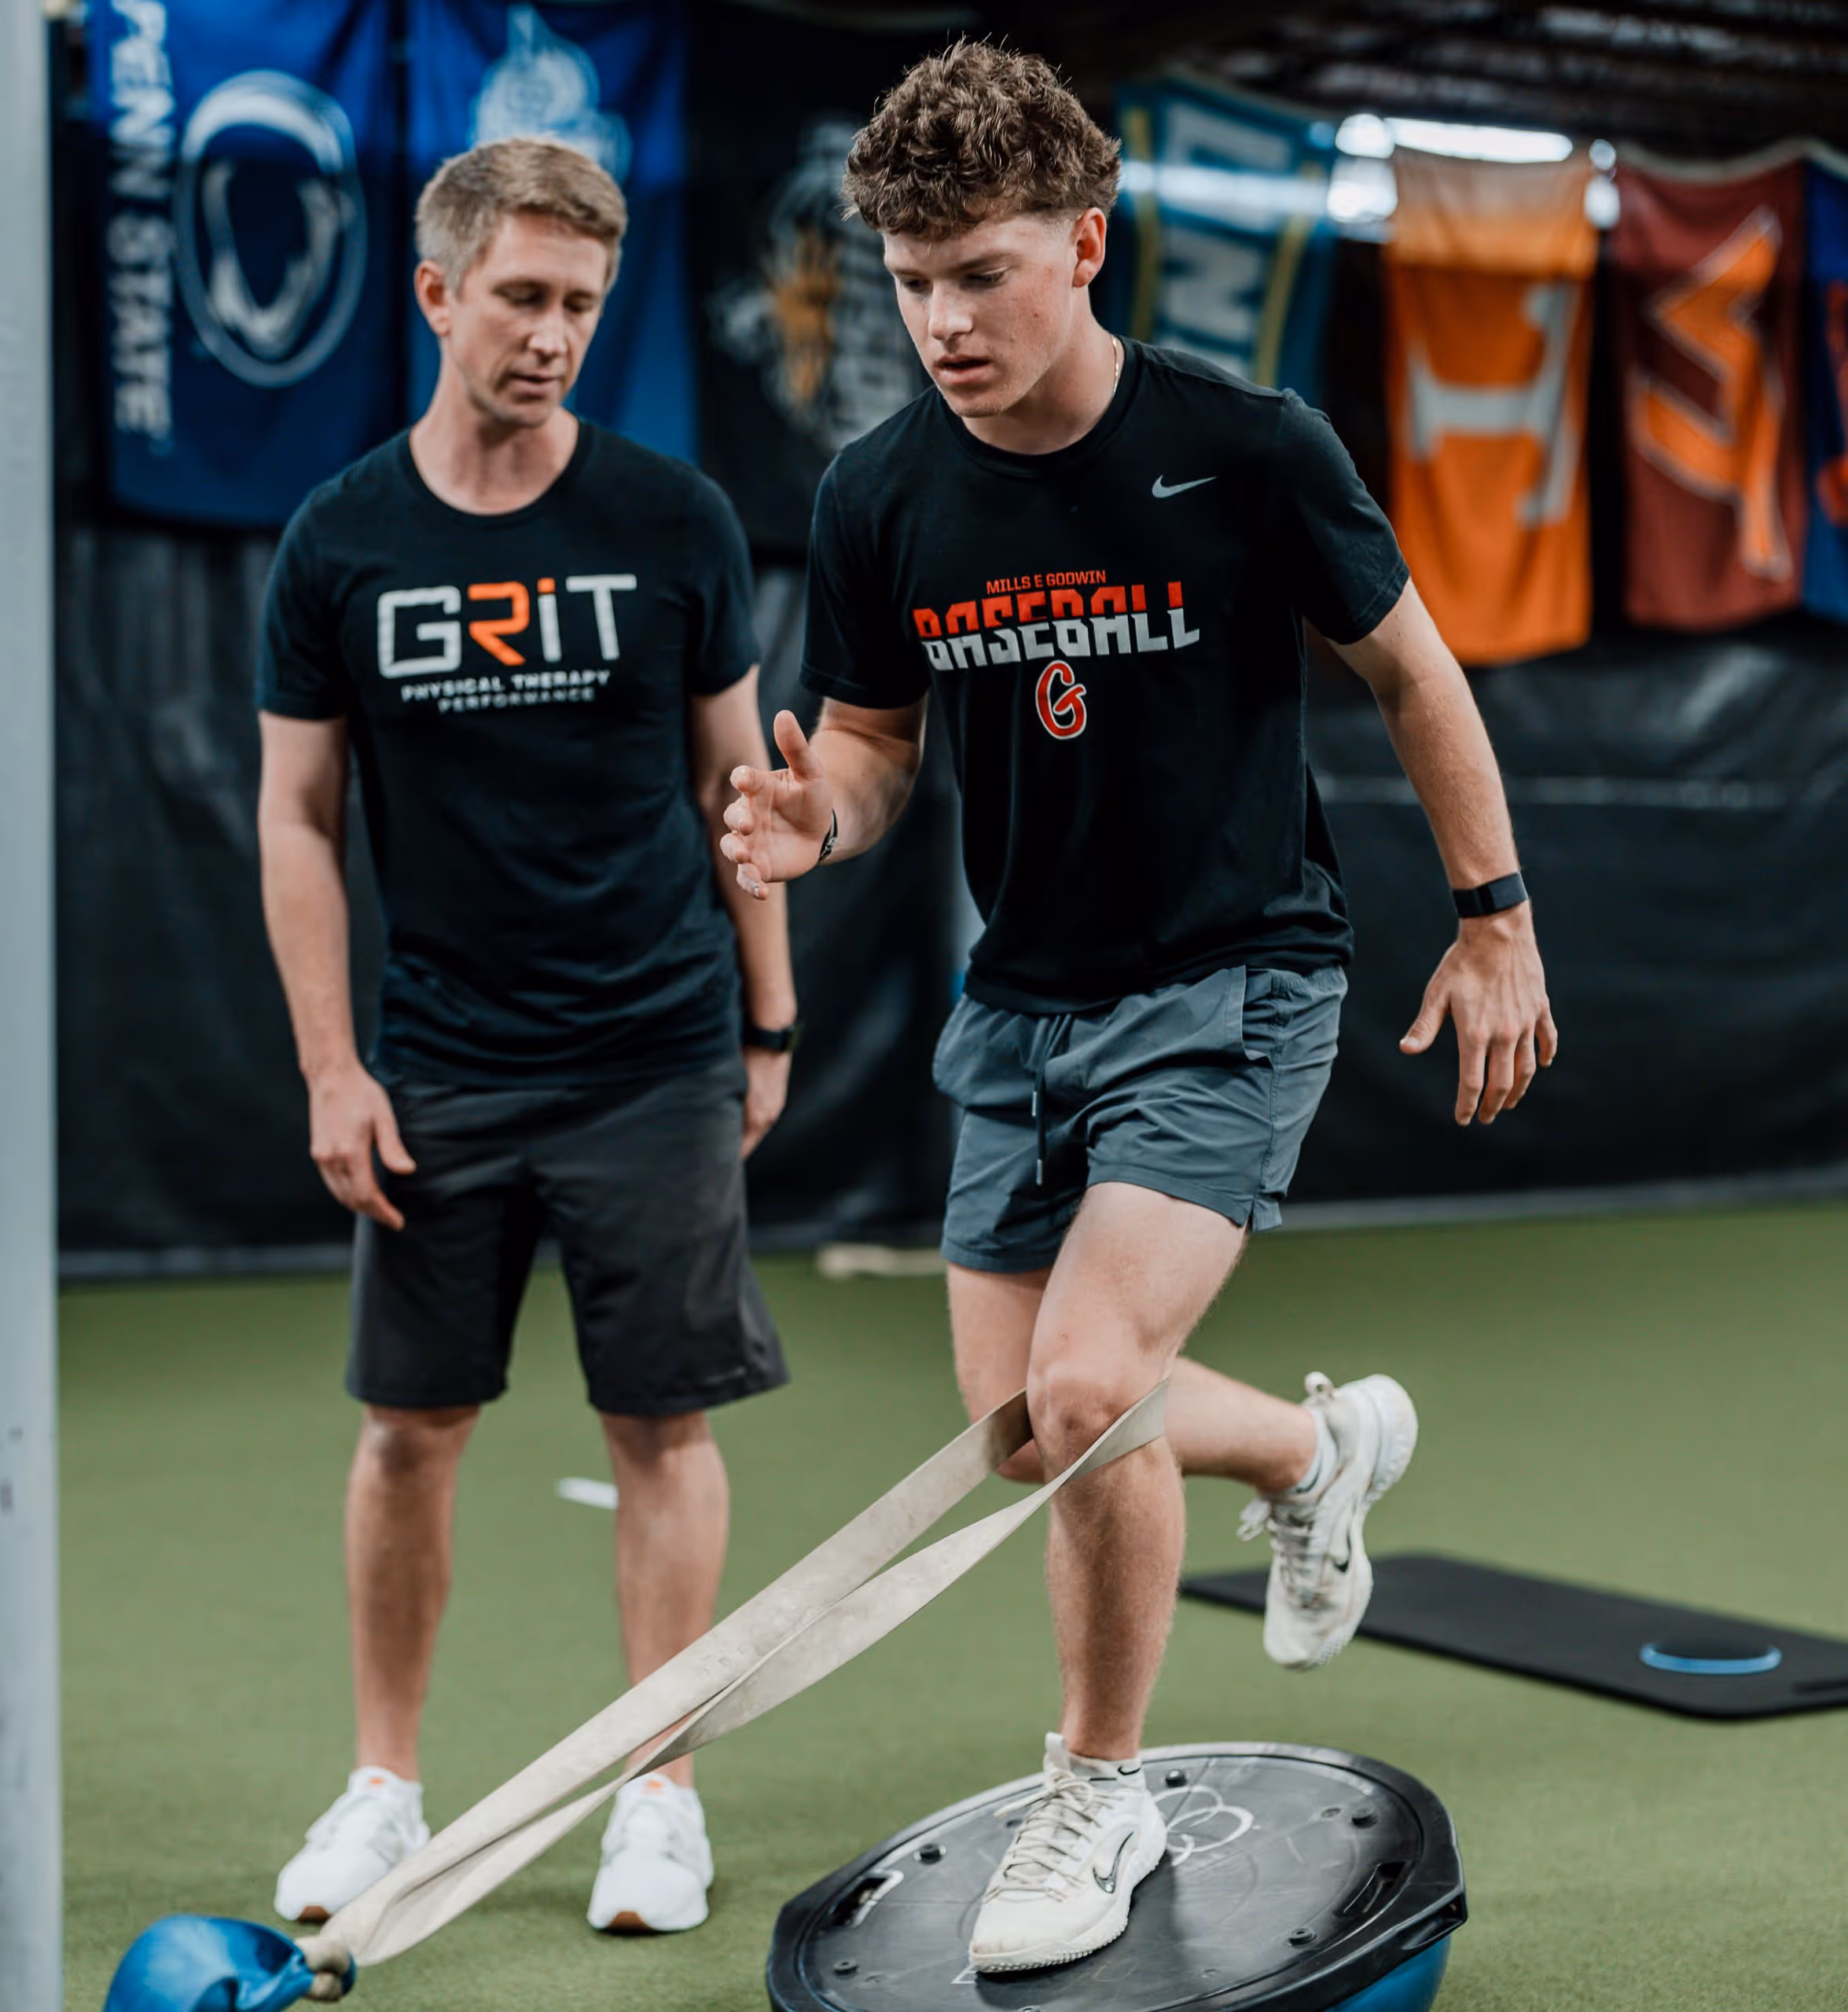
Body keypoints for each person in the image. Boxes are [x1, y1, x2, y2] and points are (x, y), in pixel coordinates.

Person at [720, 42, 1556, 1979]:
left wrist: (1494, 918)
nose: (939, 320)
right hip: (1020, 1005)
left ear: (1084, 245)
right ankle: (1308, 1450)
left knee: (1089, 1393)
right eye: (910, 280)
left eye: (983, 270)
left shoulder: (1245, 446)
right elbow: (867, 745)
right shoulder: (875, 496)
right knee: (1028, 1425)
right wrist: (808, 819)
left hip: (1233, 976)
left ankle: (1097, 1787)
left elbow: (1415, 676)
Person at [255, 138, 796, 1940]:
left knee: (661, 1425)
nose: (552, 332)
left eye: (580, 302)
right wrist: (334, 1063)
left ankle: (657, 1792)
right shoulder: (341, 540)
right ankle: (381, 1787)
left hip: (653, 1049)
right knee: (409, 1432)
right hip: (439, 1066)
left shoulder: (669, 520)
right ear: (435, 294)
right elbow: (299, 820)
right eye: (520, 297)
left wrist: (769, 1014)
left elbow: (741, 788)